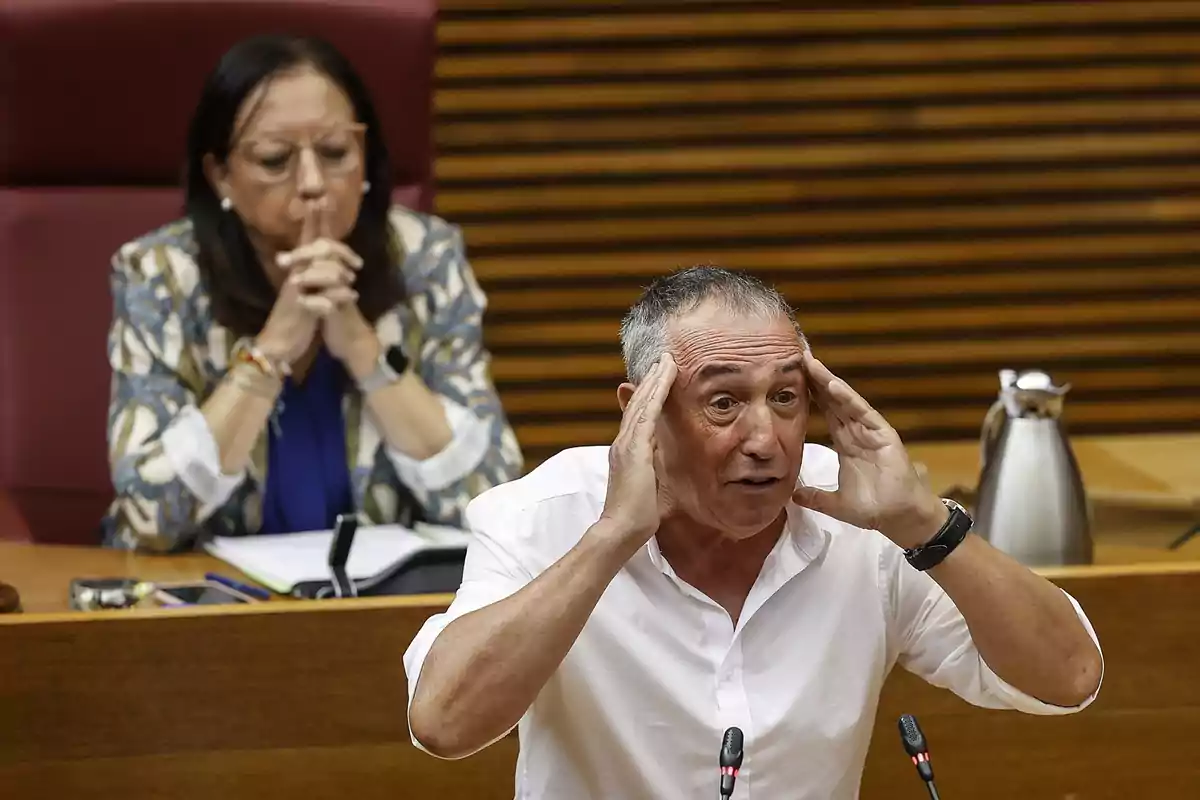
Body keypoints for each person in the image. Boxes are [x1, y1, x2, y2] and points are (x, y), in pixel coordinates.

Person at [402, 266, 1104, 799]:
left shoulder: (861, 521)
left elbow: (1068, 679)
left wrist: (921, 522)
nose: (764, 439)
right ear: (640, 413)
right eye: (724, 402)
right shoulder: (542, 515)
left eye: (786, 399)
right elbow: (444, 724)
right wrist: (611, 538)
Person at [103, 35, 522, 552]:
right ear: (220, 176)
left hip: (386, 608)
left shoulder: (424, 258)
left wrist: (364, 350)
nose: (312, 182)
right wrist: (273, 348)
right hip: (206, 608)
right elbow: (150, 518)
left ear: (365, 156)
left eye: (335, 152)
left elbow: (494, 499)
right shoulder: (163, 275)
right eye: (275, 159)